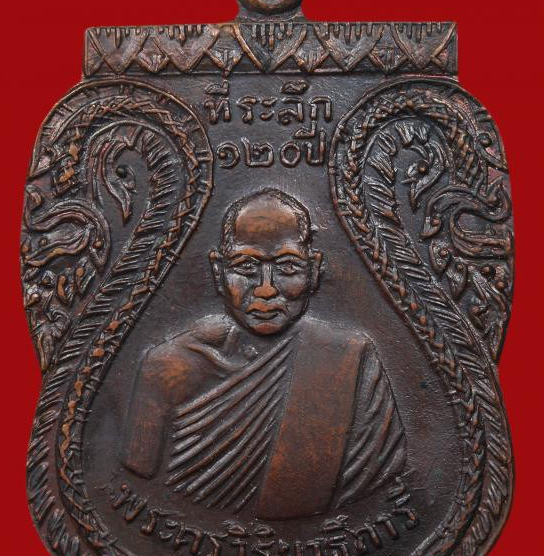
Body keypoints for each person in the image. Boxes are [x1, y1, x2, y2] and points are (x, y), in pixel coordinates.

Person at [123, 188, 405, 519]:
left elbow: (388, 483)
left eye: (288, 267)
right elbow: (132, 487)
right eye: (245, 267)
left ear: (314, 270)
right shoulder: (166, 365)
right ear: (219, 272)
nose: (266, 289)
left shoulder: (349, 359)